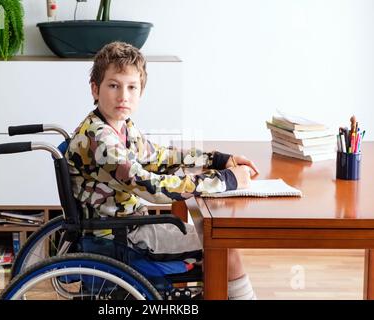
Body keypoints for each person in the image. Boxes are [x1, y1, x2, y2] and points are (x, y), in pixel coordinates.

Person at [66, 41, 259, 300]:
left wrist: (217, 159)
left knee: (216, 241)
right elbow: (152, 189)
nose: (123, 95)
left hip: (129, 228)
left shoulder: (119, 126)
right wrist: (225, 181)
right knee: (224, 248)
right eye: (114, 85)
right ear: (95, 89)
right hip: (119, 239)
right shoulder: (101, 140)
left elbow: (159, 156)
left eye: (132, 87)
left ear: (140, 92)